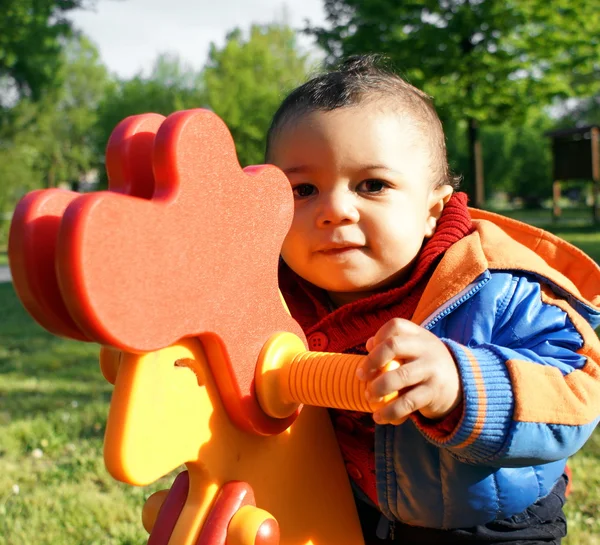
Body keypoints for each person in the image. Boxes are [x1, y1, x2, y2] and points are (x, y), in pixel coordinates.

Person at [265, 54, 600, 544]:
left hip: (489, 522)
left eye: (372, 185)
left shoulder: (494, 286)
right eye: (304, 189)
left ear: (432, 210)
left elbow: (578, 396)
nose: (334, 209)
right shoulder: (274, 286)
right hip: (344, 507)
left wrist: (462, 383)